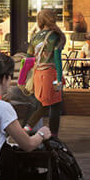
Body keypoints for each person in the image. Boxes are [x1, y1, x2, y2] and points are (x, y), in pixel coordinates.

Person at [25, 9, 64, 137]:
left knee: (42, 104)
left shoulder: (35, 36)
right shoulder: (55, 36)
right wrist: (59, 79)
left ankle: (27, 129)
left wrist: (22, 79)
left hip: (38, 74)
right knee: (54, 106)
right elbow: (57, 59)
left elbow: (29, 59)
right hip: (50, 75)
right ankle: (52, 135)